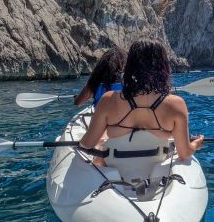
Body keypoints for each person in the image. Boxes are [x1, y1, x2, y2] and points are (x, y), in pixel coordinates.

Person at [77, 40, 204, 172]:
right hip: (155, 171)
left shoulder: (108, 99)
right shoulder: (176, 104)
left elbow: (87, 144)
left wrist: (98, 143)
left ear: (130, 65)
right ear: (164, 66)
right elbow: (184, 153)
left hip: (113, 170)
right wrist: (195, 144)